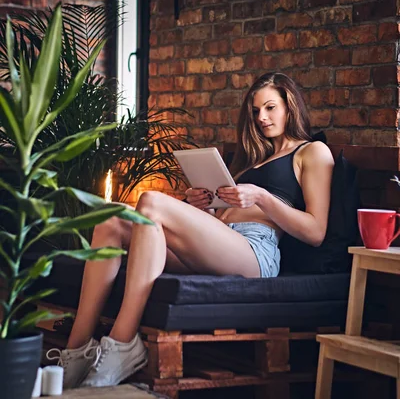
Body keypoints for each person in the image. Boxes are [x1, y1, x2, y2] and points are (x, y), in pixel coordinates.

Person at [48, 72, 334, 389]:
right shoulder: (253, 160)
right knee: (111, 218)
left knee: (152, 202)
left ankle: (123, 342)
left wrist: (262, 197)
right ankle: (76, 349)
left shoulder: (312, 152)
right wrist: (204, 206)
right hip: (222, 241)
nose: (262, 118)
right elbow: (224, 218)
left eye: (270, 107)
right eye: (255, 111)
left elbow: (316, 230)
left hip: (255, 253)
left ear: (290, 106)